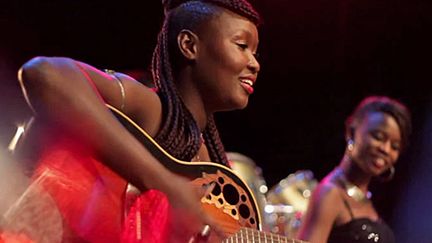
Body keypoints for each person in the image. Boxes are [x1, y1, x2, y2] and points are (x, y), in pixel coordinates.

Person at [16, 0, 261, 242]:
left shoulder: (212, 161)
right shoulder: (153, 110)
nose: (255, 63)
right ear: (189, 45)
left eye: (255, 52)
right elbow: (44, 73)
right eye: (242, 46)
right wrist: (165, 184)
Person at [296, 96, 412, 243]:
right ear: (351, 132)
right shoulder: (329, 193)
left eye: (395, 146)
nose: (386, 149)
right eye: (378, 136)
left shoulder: (365, 200)